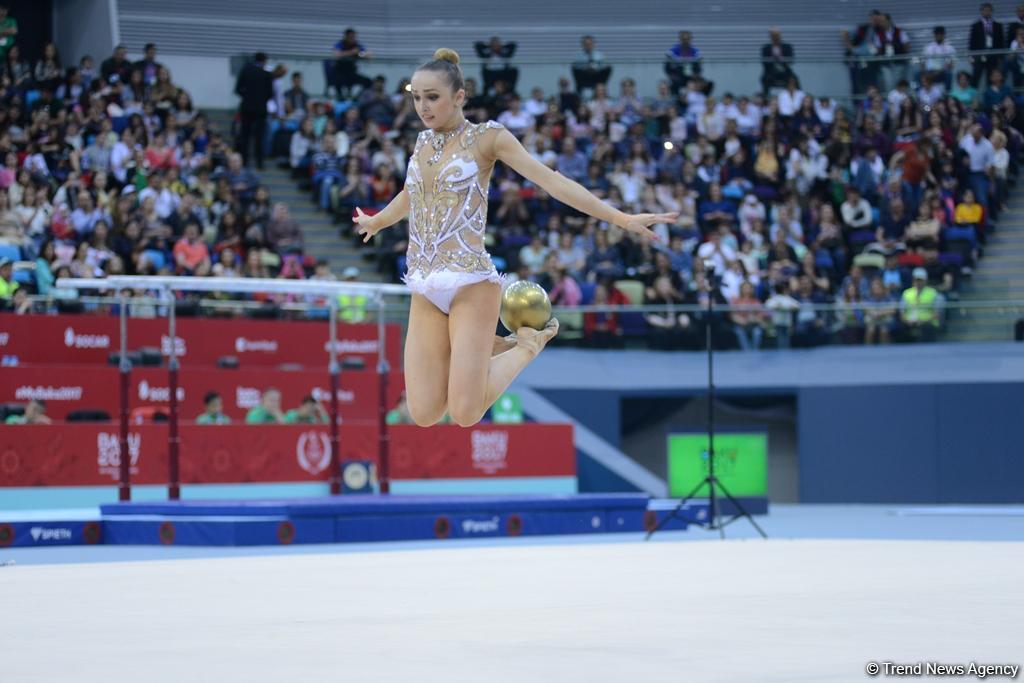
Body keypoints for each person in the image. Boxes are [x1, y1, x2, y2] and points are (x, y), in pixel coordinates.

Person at [353, 48, 675, 427]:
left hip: (470, 282)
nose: (423, 107)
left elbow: (552, 181)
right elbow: (413, 192)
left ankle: (526, 345)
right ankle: (487, 347)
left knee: (465, 412)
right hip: (424, 280)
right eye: (417, 98)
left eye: (432, 97)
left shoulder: (488, 138)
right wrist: (379, 221)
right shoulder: (424, 142)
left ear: (459, 96)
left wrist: (619, 218)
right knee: (423, 413)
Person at [234, 52, 287, 169]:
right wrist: (261, 100)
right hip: (261, 109)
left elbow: (238, 89)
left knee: (245, 136)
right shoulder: (266, 74)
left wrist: (247, 97)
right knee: (259, 136)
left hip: (246, 107)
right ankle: (259, 162)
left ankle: (245, 161)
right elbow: (270, 94)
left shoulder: (246, 70)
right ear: (264, 61)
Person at [969, 2, 1004, 87]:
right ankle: (973, 96)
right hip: (979, 55)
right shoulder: (975, 26)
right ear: (981, 12)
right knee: (976, 77)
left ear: (991, 11)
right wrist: (971, 57)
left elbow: (1001, 42)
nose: (987, 12)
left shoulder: (998, 26)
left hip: (993, 56)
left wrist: (1000, 57)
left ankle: (990, 97)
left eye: (989, 10)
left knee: (991, 78)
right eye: (985, 10)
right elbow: (972, 42)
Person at [900, 267, 940, 341]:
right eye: (916, 280)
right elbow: (902, 312)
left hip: (927, 322)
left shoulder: (933, 293)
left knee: (926, 329)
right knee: (899, 328)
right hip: (910, 322)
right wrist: (906, 321)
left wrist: (923, 322)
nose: (918, 282)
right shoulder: (906, 293)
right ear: (913, 280)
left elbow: (936, 314)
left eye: (921, 280)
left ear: (925, 280)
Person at [332, 28, 373, 98]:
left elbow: (368, 55)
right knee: (336, 80)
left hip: (352, 74)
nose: (353, 39)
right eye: (351, 37)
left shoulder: (357, 45)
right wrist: (351, 52)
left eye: (354, 37)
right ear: (346, 37)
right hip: (340, 73)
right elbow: (336, 55)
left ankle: (357, 98)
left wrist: (360, 54)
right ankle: (341, 98)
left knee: (369, 82)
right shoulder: (340, 44)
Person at [761, 28, 796, 96]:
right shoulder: (766, 48)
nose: (775, 37)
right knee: (764, 78)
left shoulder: (787, 46)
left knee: (794, 78)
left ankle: (799, 97)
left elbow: (791, 60)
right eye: (773, 35)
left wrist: (781, 58)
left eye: (777, 35)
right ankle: (765, 97)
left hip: (785, 71)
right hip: (771, 72)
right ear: (770, 36)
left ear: (780, 36)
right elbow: (764, 63)